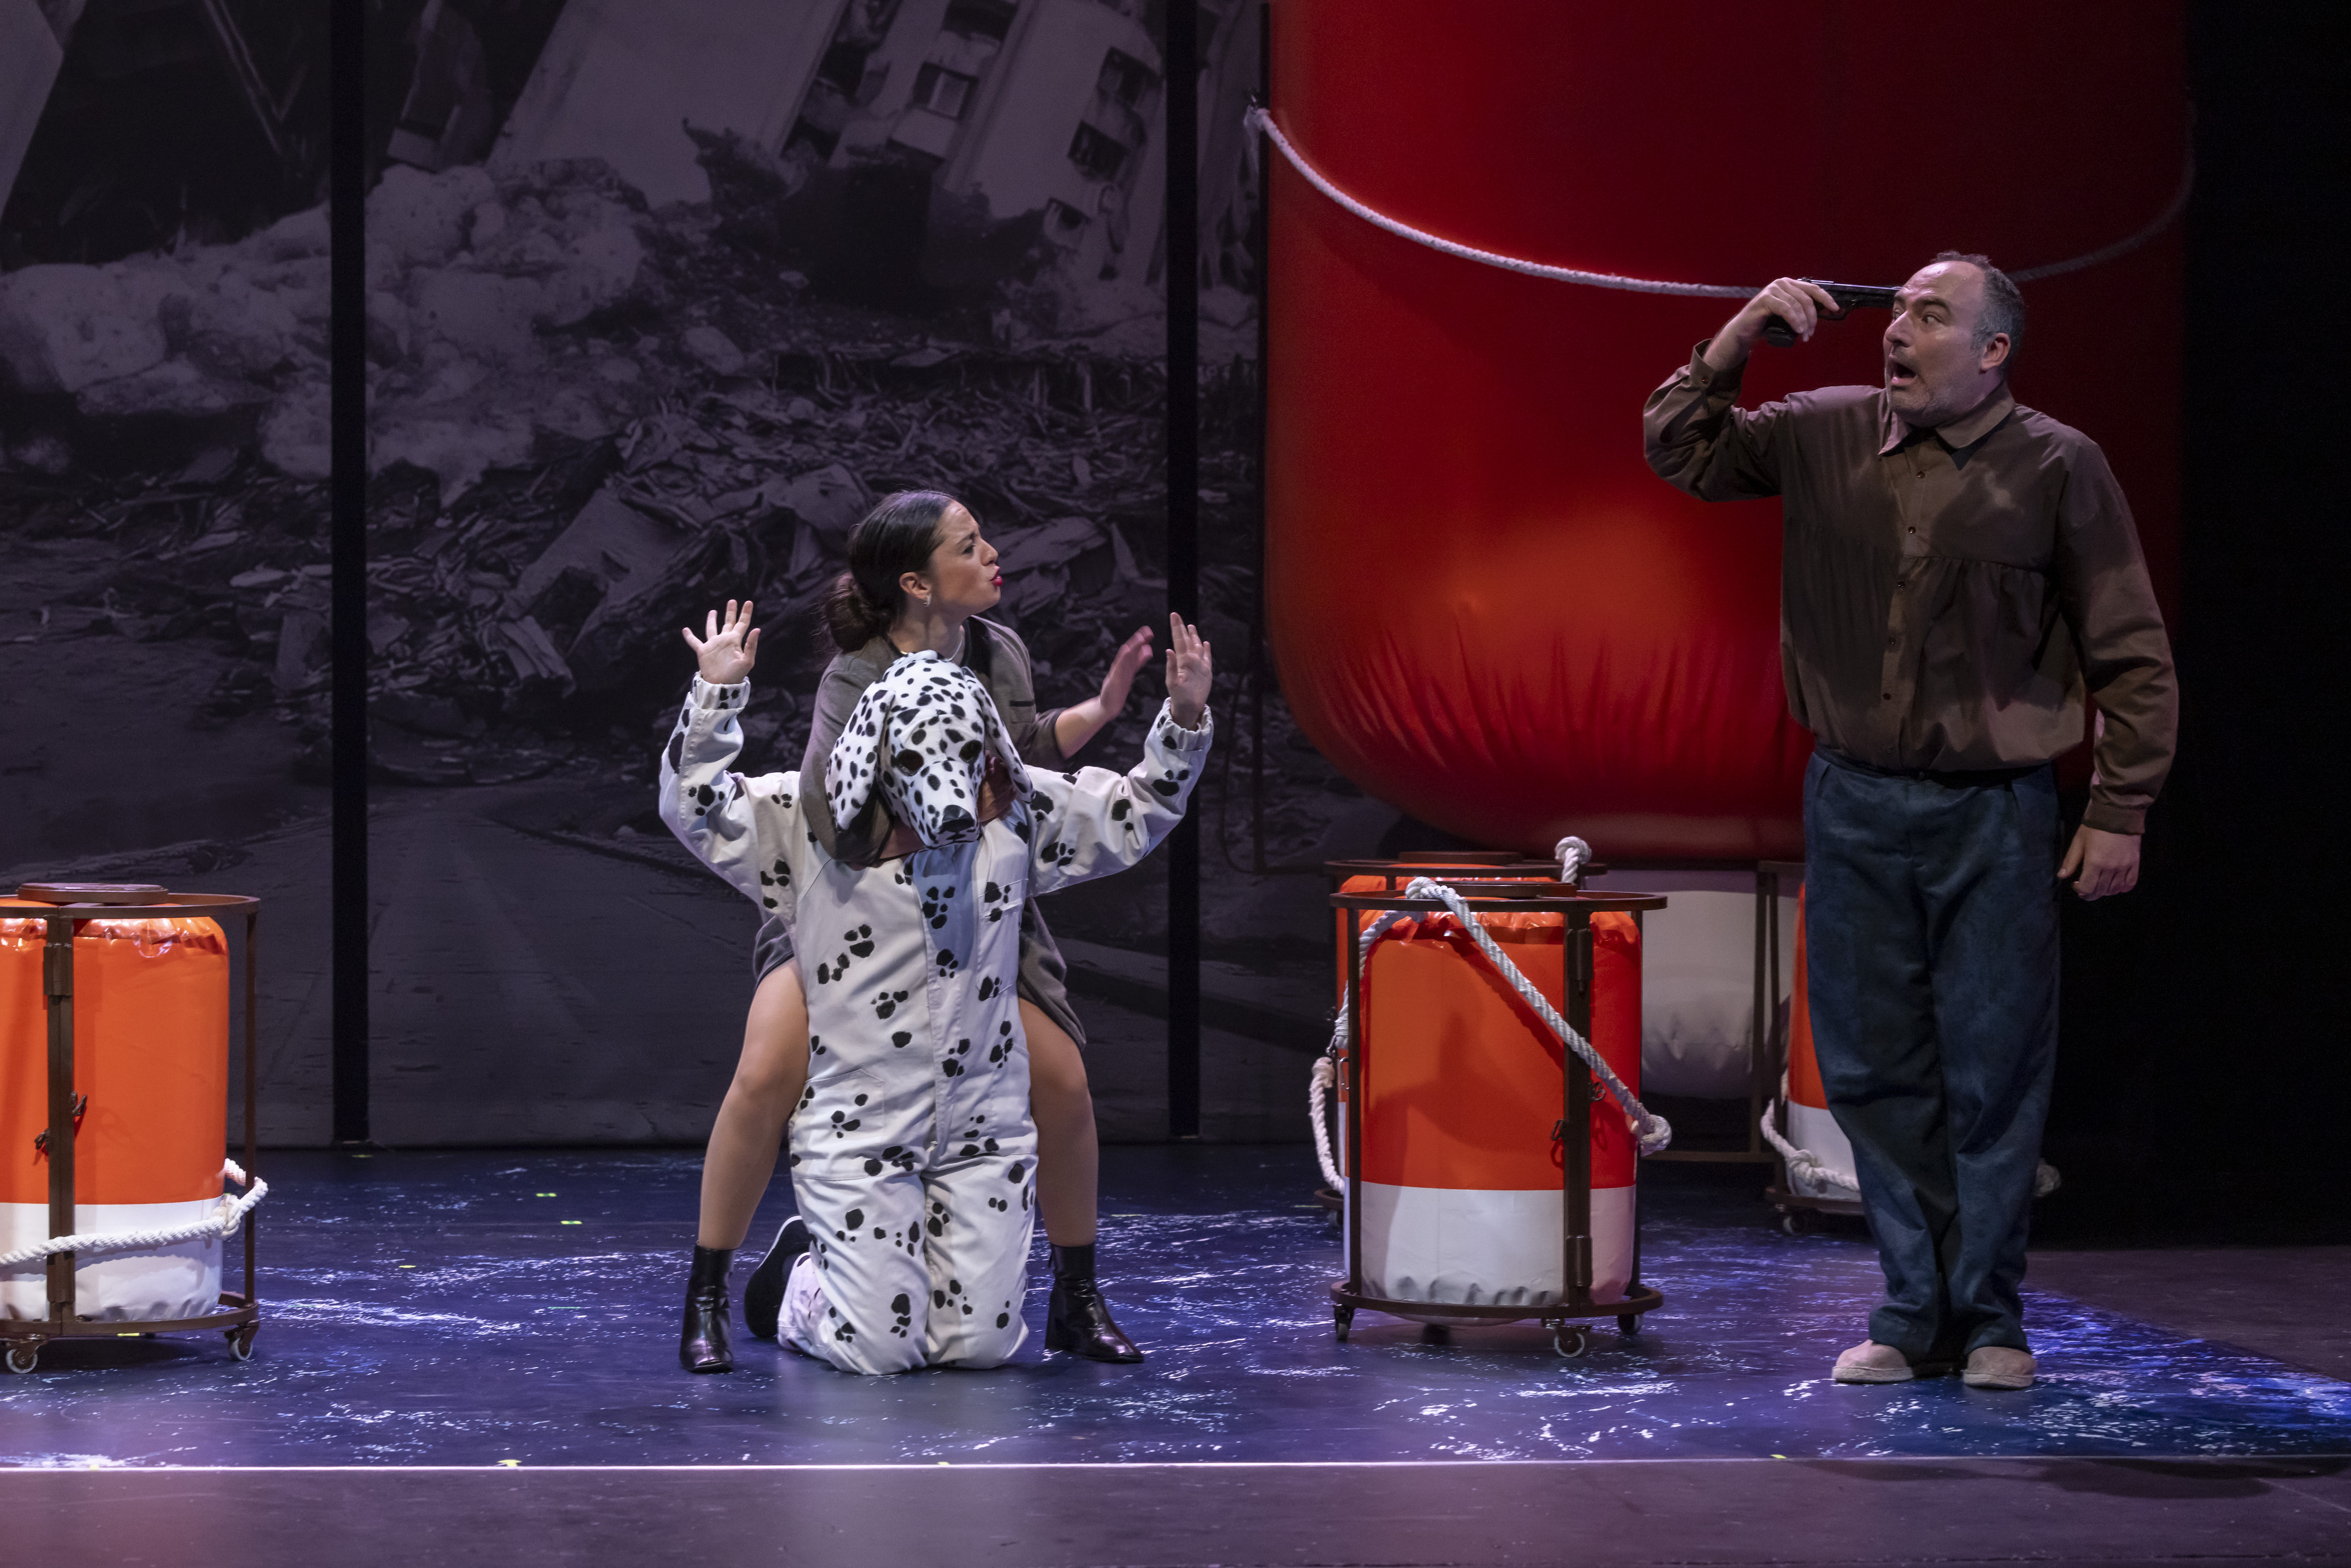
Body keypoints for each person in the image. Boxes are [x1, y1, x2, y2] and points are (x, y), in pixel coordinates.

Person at [1643, 253, 2177, 1391]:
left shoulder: (2056, 464)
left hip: (1993, 809)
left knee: (1991, 1067)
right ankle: (1909, 1311)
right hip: (1852, 799)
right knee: (1871, 1068)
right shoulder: (1822, 429)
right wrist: (1737, 337)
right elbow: (1680, 449)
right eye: (1897, 312)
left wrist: (2119, 807)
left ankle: (1988, 1320)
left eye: (1932, 317)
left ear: (1992, 352)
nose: (1898, 331)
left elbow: (2130, 652)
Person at [674, 489, 1188, 1373]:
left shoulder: (996, 650)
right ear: (915, 580)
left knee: (1061, 1080)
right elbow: (826, 815)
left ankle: (1075, 1292)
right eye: (968, 545)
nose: (993, 555)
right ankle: (716, 1288)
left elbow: (1027, 755)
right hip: (849, 896)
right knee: (765, 1074)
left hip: (984, 905)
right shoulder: (857, 675)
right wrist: (719, 698)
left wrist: (1111, 715)